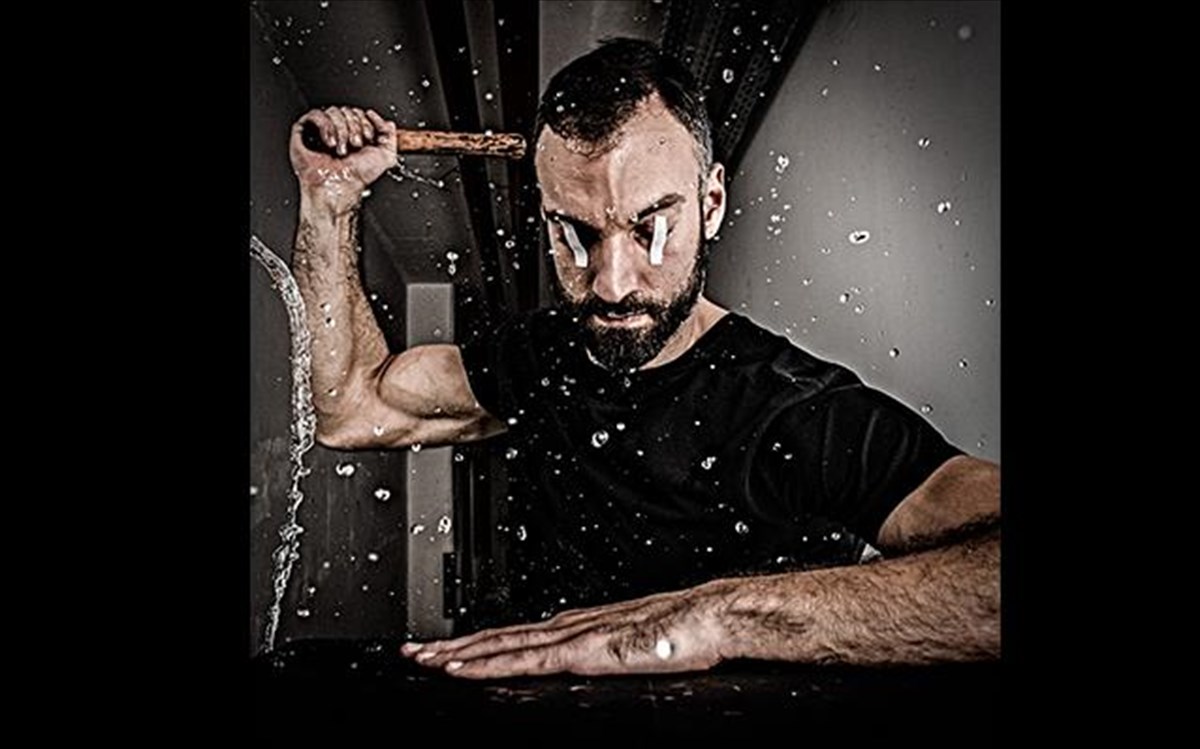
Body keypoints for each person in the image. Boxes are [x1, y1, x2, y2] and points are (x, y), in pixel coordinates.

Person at [287, 38, 999, 679]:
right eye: (575, 233)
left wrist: (718, 616)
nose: (612, 283)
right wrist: (329, 200)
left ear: (711, 203)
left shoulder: (800, 411)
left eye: (651, 227)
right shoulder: (539, 358)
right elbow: (351, 408)